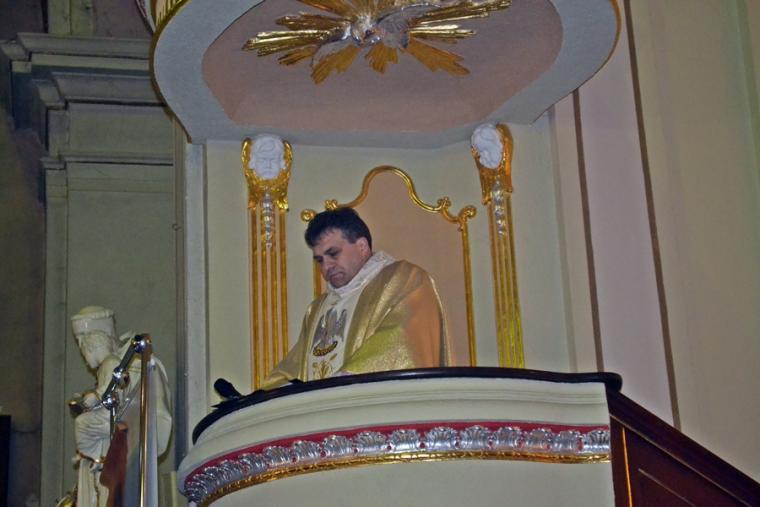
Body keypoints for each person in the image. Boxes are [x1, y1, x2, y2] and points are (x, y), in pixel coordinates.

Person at [262, 208, 451, 388]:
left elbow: (404, 339)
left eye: (333, 254)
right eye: (320, 260)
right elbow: (294, 367)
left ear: (362, 247)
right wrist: (276, 388)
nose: (326, 267)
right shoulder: (318, 309)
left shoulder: (405, 279)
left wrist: (346, 378)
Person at [68, 306, 172, 507]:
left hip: (122, 464)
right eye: (77, 340)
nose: (80, 346)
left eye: (83, 338)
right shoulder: (110, 367)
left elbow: (154, 420)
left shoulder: (139, 366)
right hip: (99, 468)